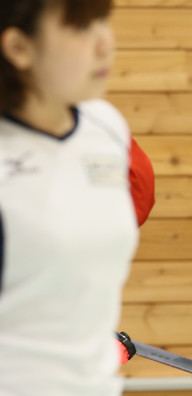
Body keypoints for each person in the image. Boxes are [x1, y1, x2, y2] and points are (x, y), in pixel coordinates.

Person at [0, 1, 140, 395]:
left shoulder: (106, 127)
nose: (105, 44)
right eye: (80, 28)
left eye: (103, 22)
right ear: (19, 48)